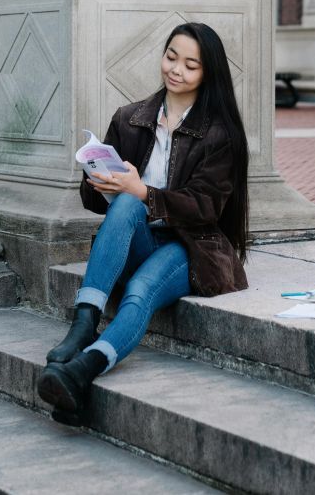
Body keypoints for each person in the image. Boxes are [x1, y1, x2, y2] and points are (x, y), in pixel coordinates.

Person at [37, 22, 249, 423]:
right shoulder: (131, 117)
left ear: (208, 73)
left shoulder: (220, 135)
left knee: (141, 289)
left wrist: (144, 192)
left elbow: (206, 207)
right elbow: (96, 203)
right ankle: (84, 323)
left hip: (191, 246)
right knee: (127, 207)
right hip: (137, 236)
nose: (176, 70)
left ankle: (83, 369)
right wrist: (100, 182)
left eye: (191, 65)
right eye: (171, 57)